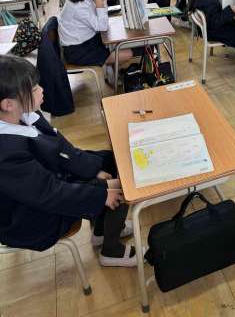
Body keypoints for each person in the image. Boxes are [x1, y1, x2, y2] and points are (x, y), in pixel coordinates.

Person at [0, 55, 136, 266]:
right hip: (31, 218)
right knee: (121, 186)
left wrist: (93, 169)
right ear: (8, 104)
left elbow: (62, 149)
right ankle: (112, 250)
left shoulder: (24, 114)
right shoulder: (6, 154)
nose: (42, 90)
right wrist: (100, 194)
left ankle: (103, 231)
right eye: (34, 89)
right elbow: (48, 193)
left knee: (113, 160)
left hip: (47, 182)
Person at [58, 0, 133, 72]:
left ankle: (111, 70)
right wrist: (100, 5)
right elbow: (102, 27)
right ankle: (109, 70)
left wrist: (101, 2)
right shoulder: (78, 8)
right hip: (78, 51)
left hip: (86, 40)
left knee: (118, 41)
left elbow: (99, 20)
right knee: (127, 53)